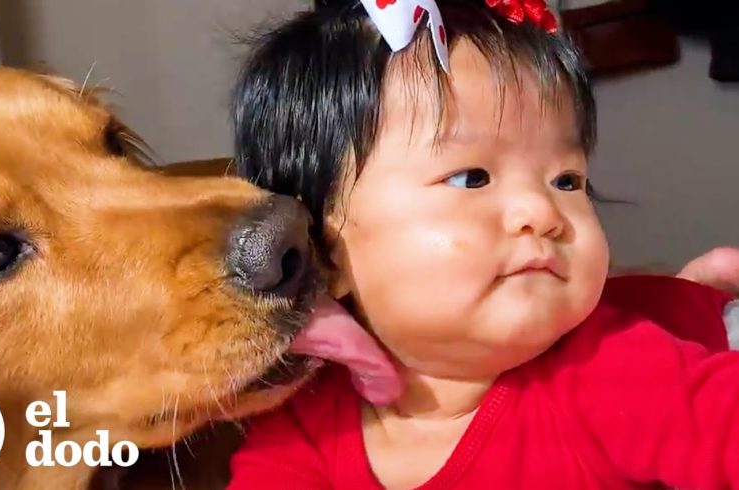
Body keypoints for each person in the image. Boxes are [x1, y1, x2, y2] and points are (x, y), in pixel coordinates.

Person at [226, 0, 739, 488]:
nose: (542, 214)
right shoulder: (304, 426)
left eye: (566, 181)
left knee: (678, 314)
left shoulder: (608, 369)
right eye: (471, 178)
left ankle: (697, 300)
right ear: (322, 250)